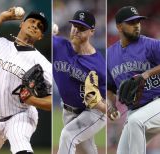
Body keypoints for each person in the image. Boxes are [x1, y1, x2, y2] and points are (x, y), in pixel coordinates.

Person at [0, 7, 52, 154]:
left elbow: (56, 101)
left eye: (40, 26)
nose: (35, 25)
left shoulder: (43, 64)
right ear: (21, 24)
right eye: (32, 21)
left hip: (20, 115)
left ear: (40, 36)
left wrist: (33, 100)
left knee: (20, 145)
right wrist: (3, 17)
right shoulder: (1, 44)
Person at [107, 6, 160, 154]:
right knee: (123, 151)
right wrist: (111, 105)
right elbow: (110, 87)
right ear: (119, 26)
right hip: (135, 111)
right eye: (131, 22)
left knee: (136, 122)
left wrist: (147, 73)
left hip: (157, 102)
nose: (136, 25)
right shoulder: (110, 55)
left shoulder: (150, 44)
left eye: (138, 21)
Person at [53, 10, 107, 154]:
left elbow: (110, 106)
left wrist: (100, 104)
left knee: (68, 136)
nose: (76, 30)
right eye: (74, 26)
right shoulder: (58, 46)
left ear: (92, 32)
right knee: (88, 150)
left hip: (93, 112)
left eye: (82, 28)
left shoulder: (98, 65)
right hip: (68, 110)